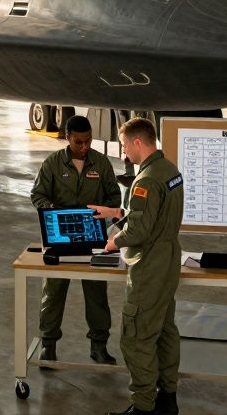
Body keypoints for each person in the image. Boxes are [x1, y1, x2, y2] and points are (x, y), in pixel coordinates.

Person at [89, 118, 183, 415]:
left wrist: (112, 243)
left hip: (149, 266)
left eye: (125, 145)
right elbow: (154, 214)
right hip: (168, 260)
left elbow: (140, 232)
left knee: (136, 336)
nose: (124, 151)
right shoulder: (169, 170)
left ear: (138, 142)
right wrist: (118, 211)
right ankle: (168, 400)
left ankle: (143, 406)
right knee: (165, 331)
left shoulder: (144, 180)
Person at [31, 114, 122, 366]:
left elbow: (114, 197)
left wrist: (101, 213)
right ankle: (48, 345)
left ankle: (99, 346)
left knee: (96, 293)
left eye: (88, 141)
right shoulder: (52, 163)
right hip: (58, 238)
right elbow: (37, 195)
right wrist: (56, 214)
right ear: (68, 137)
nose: (84, 147)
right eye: (79, 142)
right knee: (54, 292)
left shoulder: (101, 164)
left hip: (93, 237)